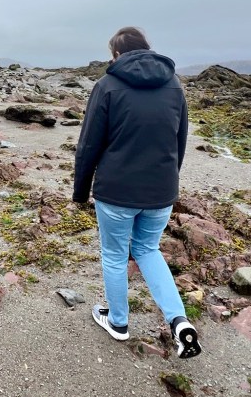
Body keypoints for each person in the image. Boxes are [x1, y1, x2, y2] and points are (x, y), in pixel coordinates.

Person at [72, 26, 201, 358]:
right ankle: (179, 321)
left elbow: (88, 145)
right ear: (146, 48)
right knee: (147, 250)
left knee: (115, 256)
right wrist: (168, 181)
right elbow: (179, 140)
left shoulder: (107, 85)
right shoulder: (174, 84)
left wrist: (80, 193)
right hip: (161, 190)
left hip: (116, 191)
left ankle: (118, 322)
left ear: (116, 54)